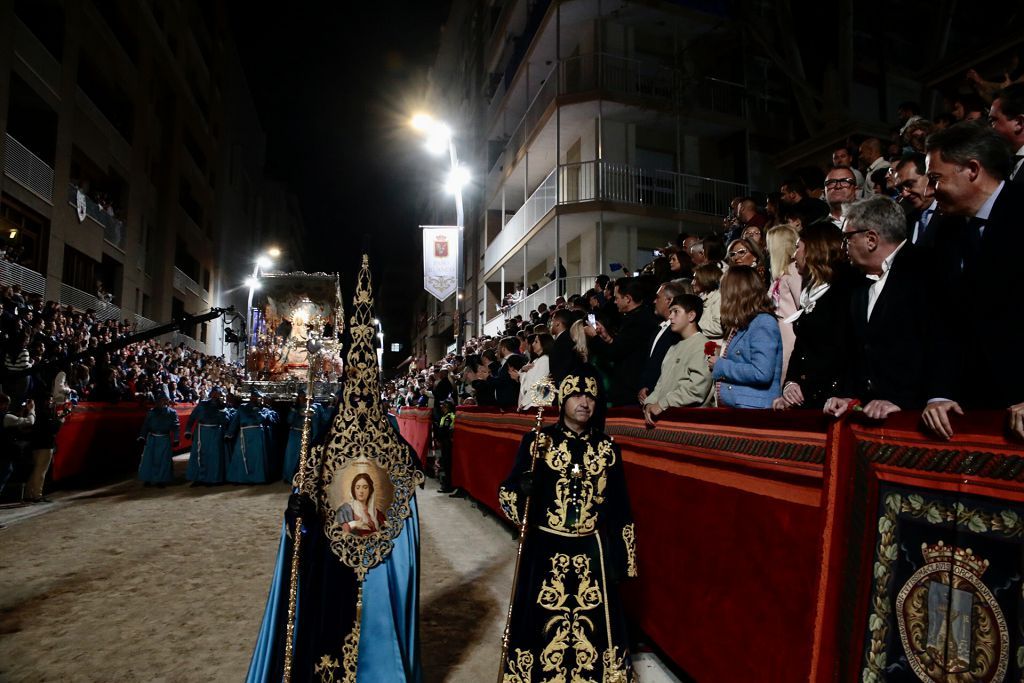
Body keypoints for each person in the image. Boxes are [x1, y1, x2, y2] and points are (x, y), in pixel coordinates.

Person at [247, 255, 421, 682]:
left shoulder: (391, 441)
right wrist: (299, 517)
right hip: (332, 559)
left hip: (376, 561)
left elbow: (405, 503)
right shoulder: (323, 442)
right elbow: (305, 506)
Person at [497, 366, 637, 682]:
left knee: (597, 628)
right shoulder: (537, 442)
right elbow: (507, 492)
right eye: (575, 394)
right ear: (562, 399)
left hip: (592, 552)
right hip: (545, 551)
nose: (584, 402)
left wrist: (623, 562)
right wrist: (523, 489)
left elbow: (620, 507)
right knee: (538, 625)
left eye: (590, 395)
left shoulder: (607, 448)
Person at [773, 223, 859, 411]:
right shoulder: (810, 290)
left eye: (798, 247)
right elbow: (802, 347)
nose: (794, 255)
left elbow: (845, 352)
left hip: (833, 401)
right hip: (808, 398)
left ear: (814, 250)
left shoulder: (846, 290)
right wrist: (791, 384)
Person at [709, 266, 783, 409]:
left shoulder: (763, 322)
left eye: (724, 290)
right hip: (740, 408)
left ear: (736, 293)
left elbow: (761, 373)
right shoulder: (745, 322)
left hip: (753, 411)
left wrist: (721, 365)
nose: (721, 295)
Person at [643, 294, 714, 425]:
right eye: (670, 312)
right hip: (666, 419)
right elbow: (661, 383)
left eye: (676, 312)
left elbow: (696, 390)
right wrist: (650, 403)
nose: (670, 317)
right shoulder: (674, 347)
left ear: (691, 316)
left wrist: (662, 404)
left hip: (688, 422)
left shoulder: (704, 346)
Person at [765, 224, 802, 379]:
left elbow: (802, 305)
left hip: (791, 339)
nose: (766, 250)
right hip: (780, 337)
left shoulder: (793, 270)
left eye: (769, 245)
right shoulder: (781, 273)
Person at [226, 390, 278, 484]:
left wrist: (257, 411)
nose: (254, 398)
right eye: (252, 396)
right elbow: (236, 421)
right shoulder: (242, 408)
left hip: (257, 435)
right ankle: (240, 478)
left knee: (257, 457)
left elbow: (261, 420)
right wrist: (229, 433)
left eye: (256, 397)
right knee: (241, 455)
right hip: (244, 434)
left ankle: (258, 478)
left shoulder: (264, 409)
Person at [184, 387, 230, 486]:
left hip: (215, 432)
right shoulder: (202, 404)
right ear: (211, 394)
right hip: (202, 432)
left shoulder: (222, 406)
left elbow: (225, 421)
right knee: (199, 454)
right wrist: (188, 431)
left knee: (214, 456)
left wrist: (222, 409)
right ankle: (198, 478)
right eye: (214, 393)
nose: (216, 395)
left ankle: (213, 479)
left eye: (218, 394)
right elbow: (192, 418)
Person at [281, 388, 323, 484]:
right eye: (301, 396)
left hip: (307, 435)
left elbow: (316, 424)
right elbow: (289, 421)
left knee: (305, 456)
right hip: (295, 435)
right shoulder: (295, 408)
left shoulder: (315, 407)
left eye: (305, 396)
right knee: (292, 456)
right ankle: (289, 476)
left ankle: (304, 477)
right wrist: (294, 410)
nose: (303, 398)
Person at [137, 393, 179, 487]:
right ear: (157, 402)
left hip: (164, 438)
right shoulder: (151, 412)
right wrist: (142, 436)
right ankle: (148, 479)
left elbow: (176, 427)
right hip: (152, 438)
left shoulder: (172, 412)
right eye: (160, 400)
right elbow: (146, 425)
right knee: (148, 459)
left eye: (165, 400)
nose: (162, 402)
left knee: (164, 460)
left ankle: (162, 480)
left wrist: (176, 439)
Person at [338, 472, 387, 536]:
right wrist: (354, 524)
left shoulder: (377, 514)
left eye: (365, 487)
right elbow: (338, 532)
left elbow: (386, 533)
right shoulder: (344, 510)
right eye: (358, 488)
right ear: (353, 490)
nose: (361, 491)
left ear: (370, 490)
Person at [435, 400, 456, 493]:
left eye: (443, 405)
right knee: (444, 463)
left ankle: (448, 486)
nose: (441, 407)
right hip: (444, 442)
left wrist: (440, 439)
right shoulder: (444, 416)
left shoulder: (449, 416)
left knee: (447, 464)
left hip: (447, 443)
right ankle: (446, 484)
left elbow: (445, 430)